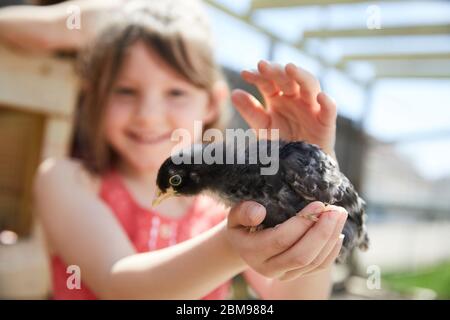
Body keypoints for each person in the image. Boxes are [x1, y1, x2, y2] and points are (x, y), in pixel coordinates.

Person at [33, 0, 347, 299]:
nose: (148, 114)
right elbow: (120, 286)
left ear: (211, 102)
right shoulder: (66, 180)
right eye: (125, 91)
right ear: (95, 97)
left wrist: (308, 186)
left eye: (176, 92)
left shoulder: (225, 204)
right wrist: (231, 246)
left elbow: (293, 296)